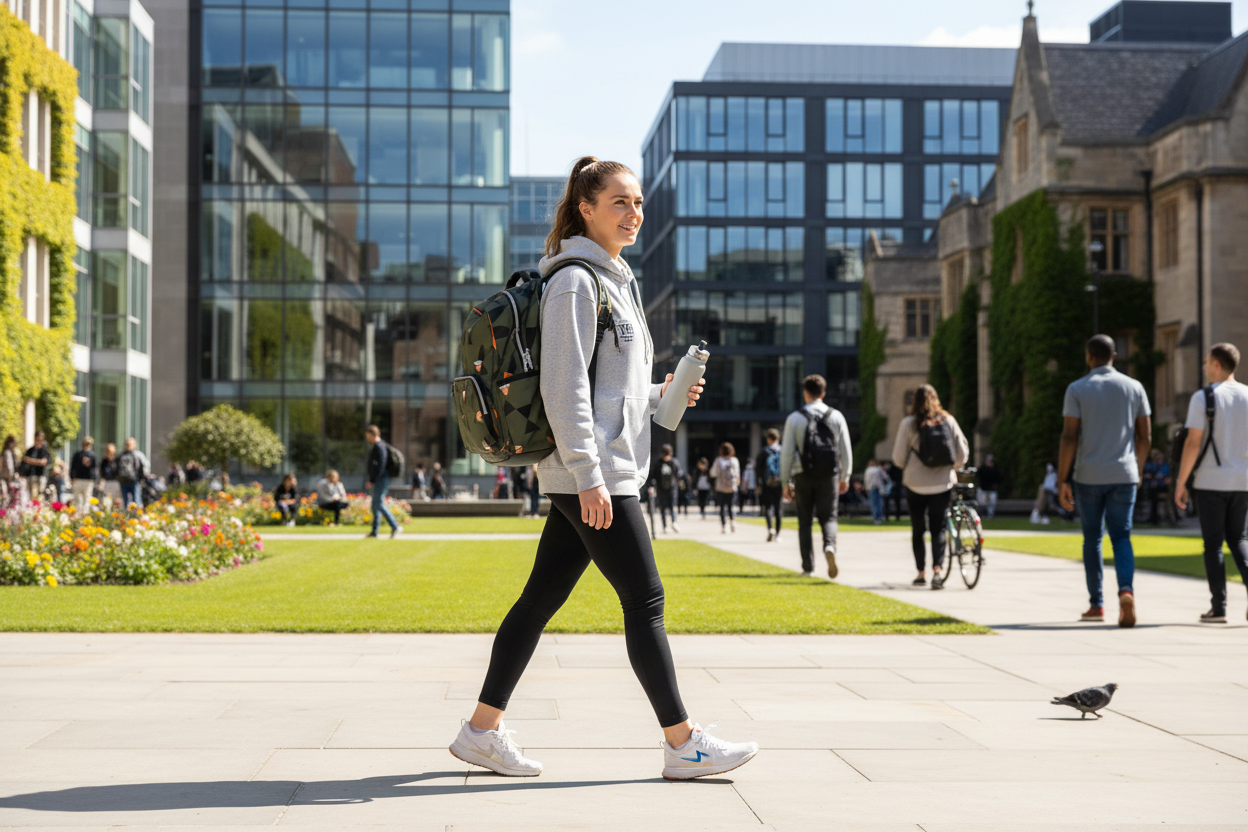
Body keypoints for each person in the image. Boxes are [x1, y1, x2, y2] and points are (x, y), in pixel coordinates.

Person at [449, 156, 757, 782]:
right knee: (645, 599)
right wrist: (589, 474)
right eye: (619, 201)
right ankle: (682, 741)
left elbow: (605, 386)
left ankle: (481, 730)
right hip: (596, 473)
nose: (634, 213)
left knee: (540, 600)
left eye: (638, 203)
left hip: (599, 467)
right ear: (585, 207)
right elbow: (564, 388)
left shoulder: (617, 279)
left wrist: (658, 391)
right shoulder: (575, 282)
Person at [1058, 334, 1151, 628]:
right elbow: (1145, 436)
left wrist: (1062, 479)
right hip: (1124, 473)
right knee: (1122, 536)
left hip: (1089, 475)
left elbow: (1069, 436)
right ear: (1114, 356)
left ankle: (1096, 604)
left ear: (1090, 357)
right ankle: (1126, 591)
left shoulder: (1077, 388)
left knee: (1093, 539)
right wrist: (1137, 468)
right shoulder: (1134, 387)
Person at [1175, 343, 1248, 624]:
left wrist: (1181, 482)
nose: (1204, 367)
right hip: (1242, 481)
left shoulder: (1204, 397)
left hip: (1210, 480)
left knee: (1213, 544)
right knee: (1239, 539)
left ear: (1217, 364)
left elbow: (1193, 443)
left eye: (1206, 362)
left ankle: (1219, 608)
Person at [892, 384, 969, 589]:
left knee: (918, 529)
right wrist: (951, 467)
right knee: (938, 529)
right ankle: (937, 571)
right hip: (942, 483)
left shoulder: (909, 424)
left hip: (915, 483)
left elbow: (898, 458)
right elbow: (962, 453)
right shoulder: (947, 420)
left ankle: (920, 572)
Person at [782, 374, 852, 578]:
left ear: (805, 393)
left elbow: (786, 453)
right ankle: (829, 546)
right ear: (823, 393)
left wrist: (785, 482)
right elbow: (845, 449)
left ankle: (808, 567)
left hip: (802, 474)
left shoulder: (795, 418)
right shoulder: (836, 416)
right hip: (829, 474)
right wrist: (844, 477)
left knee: (804, 521)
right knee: (829, 517)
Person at [364, 425, 400, 539]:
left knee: (378, 503)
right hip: (380, 478)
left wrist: (372, 480)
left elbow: (380, 466)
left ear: (373, 434)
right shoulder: (379, 446)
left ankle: (395, 526)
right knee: (375, 505)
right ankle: (375, 531)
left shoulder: (380, 447)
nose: (367, 439)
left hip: (381, 478)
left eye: (368, 436)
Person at [755, 428, 784, 542]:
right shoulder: (783, 451)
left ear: (768, 439)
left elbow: (758, 469)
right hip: (779, 482)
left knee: (768, 507)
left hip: (767, 483)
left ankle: (770, 528)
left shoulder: (763, 452)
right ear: (778, 438)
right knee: (778, 507)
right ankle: (777, 534)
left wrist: (759, 483)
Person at [649, 444, 682, 534]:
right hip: (661, 488)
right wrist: (651, 486)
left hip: (671, 488)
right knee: (662, 508)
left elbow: (679, 474)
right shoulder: (658, 463)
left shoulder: (674, 462)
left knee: (671, 507)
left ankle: (673, 523)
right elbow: (653, 475)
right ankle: (665, 526)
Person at [709, 442, 741, 534]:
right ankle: (732, 522)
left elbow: (713, 473)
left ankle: (724, 526)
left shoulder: (718, 461)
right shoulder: (734, 461)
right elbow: (737, 474)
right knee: (731, 506)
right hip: (732, 488)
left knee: (722, 508)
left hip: (721, 488)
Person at [1142, 449, 1174, 526]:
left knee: (1155, 497)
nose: (1158, 459)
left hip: (1162, 487)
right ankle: (1153, 517)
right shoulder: (1150, 465)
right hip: (1152, 486)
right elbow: (1146, 474)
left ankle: (1156, 518)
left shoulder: (1165, 465)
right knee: (1152, 498)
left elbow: (1167, 477)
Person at [116, 437, 150, 510]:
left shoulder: (121, 455)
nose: (129, 445)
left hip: (127, 480)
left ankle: (131, 517)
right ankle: (133, 517)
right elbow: (145, 467)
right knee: (135, 500)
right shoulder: (138, 455)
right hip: (133, 480)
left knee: (128, 501)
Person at [69, 437, 98, 513]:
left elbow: (95, 467)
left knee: (87, 498)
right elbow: (73, 466)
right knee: (77, 498)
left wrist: (95, 479)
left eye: (88, 444)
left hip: (88, 479)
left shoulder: (92, 455)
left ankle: (85, 513)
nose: (87, 446)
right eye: (86, 444)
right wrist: (72, 477)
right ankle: (77, 513)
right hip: (78, 479)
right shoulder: (78, 454)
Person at [20, 431, 50, 503]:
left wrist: (30, 461)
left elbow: (43, 462)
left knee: (40, 496)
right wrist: (37, 462)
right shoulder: (30, 450)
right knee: (31, 497)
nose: (39, 442)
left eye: (41, 440)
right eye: (38, 440)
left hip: (41, 476)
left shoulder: (44, 450)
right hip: (30, 476)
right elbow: (24, 460)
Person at [976, 455, 1001, 519]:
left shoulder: (995, 469)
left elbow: (998, 479)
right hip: (983, 489)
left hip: (992, 490)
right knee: (982, 503)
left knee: (992, 503)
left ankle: (990, 515)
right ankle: (982, 514)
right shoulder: (982, 469)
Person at [864, 459, 887, 525]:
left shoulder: (868, 470)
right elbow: (885, 477)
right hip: (876, 488)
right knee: (878, 504)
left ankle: (876, 518)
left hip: (872, 488)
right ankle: (878, 518)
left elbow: (866, 480)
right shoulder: (878, 469)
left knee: (874, 504)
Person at [99, 444, 120, 509]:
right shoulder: (104, 461)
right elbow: (101, 471)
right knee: (107, 498)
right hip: (107, 481)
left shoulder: (117, 460)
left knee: (116, 499)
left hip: (115, 481)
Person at [0, 435, 18, 508]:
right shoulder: (7, 452)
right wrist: (11, 479)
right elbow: (9, 467)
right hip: (7, 479)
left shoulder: (4, 452)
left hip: (4, 478)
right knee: (7, 499)